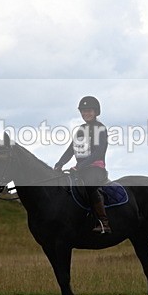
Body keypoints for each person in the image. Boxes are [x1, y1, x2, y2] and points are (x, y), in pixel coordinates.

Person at [54, 96, 111, 233]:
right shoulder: (81, 129)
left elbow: (98, 153)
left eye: (89, 111)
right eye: (84, 111)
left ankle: (103, 222)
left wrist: (80, 166)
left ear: (96, 112)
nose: (86, 114)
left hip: (95, 168)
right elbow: (71, 150)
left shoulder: (100, 128)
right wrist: (59, 164)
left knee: (89, 186)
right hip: (80, 169)